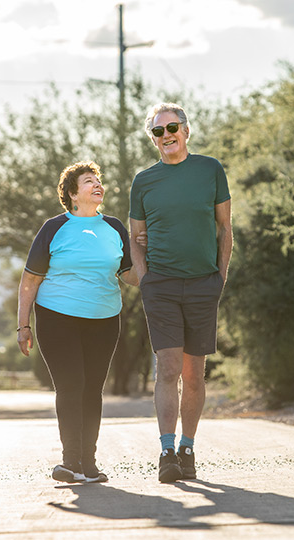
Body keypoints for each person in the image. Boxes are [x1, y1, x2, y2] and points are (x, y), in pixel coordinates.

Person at [129, 102, 232, 483]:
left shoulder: (210, 170)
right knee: (168, 368)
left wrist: (220, 278)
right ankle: (167, 451)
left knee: (194, 374)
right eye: (158, 131)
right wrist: (146, 279)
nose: (166, 135)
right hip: (162, 286)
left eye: (172, 128)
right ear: (153, 139)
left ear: (186, 131)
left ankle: (188, 447)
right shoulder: (144, 181)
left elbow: (225, 228)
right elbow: (135, 236)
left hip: (204, 284)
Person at [17, 160, 137, 484]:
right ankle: (70, 462)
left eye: (98, 180)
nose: (97, 185)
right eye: (88, 181)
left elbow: (129, 274)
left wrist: (157, 265)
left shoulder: (114, 228)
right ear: (72, 194)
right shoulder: (54, 228)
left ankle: (89, 463)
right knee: (71, 385)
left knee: (93, 390)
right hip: (57, 317)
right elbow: (30, 280)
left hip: (104, 319)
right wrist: (23, 325)